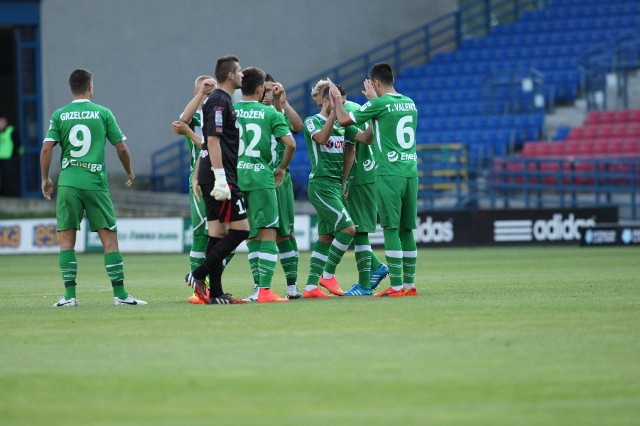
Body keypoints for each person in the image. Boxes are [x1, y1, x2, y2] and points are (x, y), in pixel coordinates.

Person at [40, 68, 146, 307]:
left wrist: (45, 178)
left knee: (66, 241)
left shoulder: (59, 115)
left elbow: (46, 149)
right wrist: (129, 171)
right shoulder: (103, 113)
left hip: (68, 183)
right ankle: (120, 295)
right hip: (95, 183)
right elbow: (122, 149)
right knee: (109, 240)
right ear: (90, 87)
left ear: (71, 88)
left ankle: (69, 297)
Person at [328, 62, 418, 297]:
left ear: (376, 83)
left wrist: (338, 99)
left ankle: (396, 286)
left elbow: (346, 120)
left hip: (389, 173)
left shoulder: (378, 104)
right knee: (407, 230)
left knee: (390, 228)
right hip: (410, 171)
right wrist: (373, 100)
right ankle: (409, 285)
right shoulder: (410, 103)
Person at [185, 55, 249, 305]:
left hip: (211, 174)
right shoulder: (220, 101)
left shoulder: (221, 100)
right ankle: (197, 274)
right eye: (240, 70)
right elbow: (212, 140)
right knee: (242, 230)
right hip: (219, 176)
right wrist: (221, 178)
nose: (242, 74)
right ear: (231, 75)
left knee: (218, 233)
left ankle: (216, 292)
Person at [302, 82, 372, 298]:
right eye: (336, 101)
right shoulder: (312, 121)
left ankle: (311, 287)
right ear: (325, 101)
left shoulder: (343, 125)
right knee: (348, 230)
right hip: (320, 185)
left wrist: (374, 108)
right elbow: (322, 139)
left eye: (342, 101)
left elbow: (364, 139)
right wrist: (334, 114)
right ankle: (327, 275)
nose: (341, 105)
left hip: (334, 185)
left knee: (325, 237)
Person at [234, 67, 296, 302]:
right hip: (262, 179)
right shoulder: (270, 114)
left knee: (249, 235)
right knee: (269, 232)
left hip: (237, 180)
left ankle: (256, 288)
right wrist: (280, 168)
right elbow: (291, 143)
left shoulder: (231, 111)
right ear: (260, 89)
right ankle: (265, 290)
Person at [336, 84, 389, 296]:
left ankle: (365, 285)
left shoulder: (346, 113)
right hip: (365, 174)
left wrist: (344, 180)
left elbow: (364, 139)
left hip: (360, 176)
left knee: (360, 229)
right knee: (354, 228)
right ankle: (376, 268)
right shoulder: (357, 107)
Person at [172, 75, 217, 304]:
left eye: (212, 91)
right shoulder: (196, 116)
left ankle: (203, 277)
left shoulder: (222, 114)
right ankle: (199, 289)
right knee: (202, 232)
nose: (209, 95)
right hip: (200, 178)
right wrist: (202, 93)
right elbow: (183, 119)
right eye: (203, 92)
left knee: (230, 234)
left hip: (224, 177)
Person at [0, 116, 21, 196]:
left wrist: (17, 155)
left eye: (1, 123)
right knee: (3, 178)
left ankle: (12, 195)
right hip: (2, 158)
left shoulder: (11, 131)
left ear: (5, 123)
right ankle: (4, 194)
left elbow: (18, 144)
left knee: (10, 177)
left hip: (10, 158)